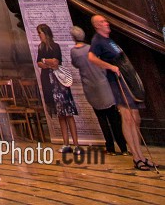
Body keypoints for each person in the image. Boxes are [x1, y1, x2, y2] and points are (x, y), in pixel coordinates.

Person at [89, 13, 153, 170]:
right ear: (97, 25)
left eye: (105, 20)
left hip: (127, 80)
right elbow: (91, 57)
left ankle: (141, 154)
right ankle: (136, 157)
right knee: (128, 118)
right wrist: (110, 67)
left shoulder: (109, 40)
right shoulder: (97, 41)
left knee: (136, 118)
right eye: (102, 21)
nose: (106, 23)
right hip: (117, 82)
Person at [69, 25, 128, 156]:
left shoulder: (74, 52)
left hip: (90, 86)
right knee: (114, 119)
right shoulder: (91, 48)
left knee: (102, 119)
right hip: (103, 84)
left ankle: (110, 148)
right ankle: (123, 147)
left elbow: (76, 64)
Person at [35, 24, 78, 150]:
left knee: (68, 113)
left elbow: (55, 62)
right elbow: (39, 63)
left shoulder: (55, 46)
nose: (39, 35)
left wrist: (45, 61)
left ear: (46, 33)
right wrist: (45, 62)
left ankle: (76, 144)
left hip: (59, 83)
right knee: (60, 115)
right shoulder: (40, 47)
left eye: (40, 33)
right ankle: (66, 143)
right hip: (48, 82)